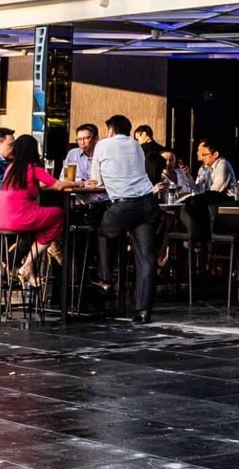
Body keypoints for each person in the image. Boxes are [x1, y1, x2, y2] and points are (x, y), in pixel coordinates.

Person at [90, 114, 160, 323]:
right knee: (146, 258)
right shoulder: (137, 145)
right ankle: (143, 312)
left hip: (123, 205)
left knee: (103, 232)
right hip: (148, 202)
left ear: (110, 130)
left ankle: (104, 278)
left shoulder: (102, 146)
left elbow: (96, 180)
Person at [0, 134, 73, 284]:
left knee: (41, 223)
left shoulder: (11, 168)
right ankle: (32, 261)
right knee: (58, 214)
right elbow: (57, 185)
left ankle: (29, 267)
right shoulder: (33, 167)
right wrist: (79, 184)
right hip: (20, 218)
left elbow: (33, 185)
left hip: (2, 219)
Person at [179, 139, 239, 244]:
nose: (200, 156)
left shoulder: (222, 165)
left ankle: (200, 239)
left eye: (204, 154)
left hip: (222, 212)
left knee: (195, 203)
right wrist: (188, 177)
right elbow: (198, 190)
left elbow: (215, 191)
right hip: (207, 208)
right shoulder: (203, 169)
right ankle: (195, 238)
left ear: (215, 154)